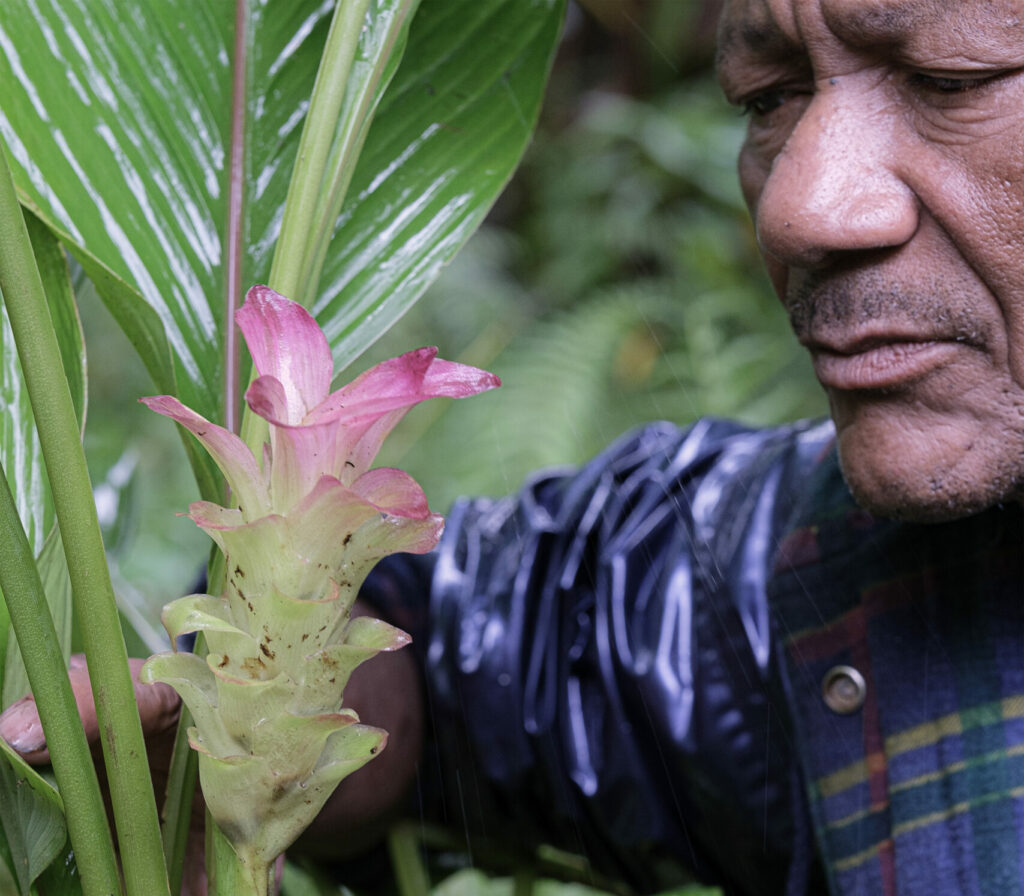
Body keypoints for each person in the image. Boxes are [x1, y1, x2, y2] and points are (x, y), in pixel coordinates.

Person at [6, 0, 1024, 893]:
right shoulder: (820, 576)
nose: (798, 208)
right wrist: (258, 719)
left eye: (953, 79)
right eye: (768, 97)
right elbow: (498, 653)